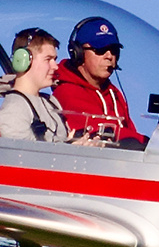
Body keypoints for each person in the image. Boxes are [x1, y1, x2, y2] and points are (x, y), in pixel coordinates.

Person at [52, 16, 148, 149]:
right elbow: (103, 133)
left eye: (114, 50)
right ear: (78, 53)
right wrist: (147, 144)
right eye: (100, 49)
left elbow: (129, 133)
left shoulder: (113, 93)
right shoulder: (67, 92)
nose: (109, 56)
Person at [0, 28, 101, 144]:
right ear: (24, 60)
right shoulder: (14, 109)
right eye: (48, 59)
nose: (55, 66)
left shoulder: (51, 102)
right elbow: (22, 157)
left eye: (55, 59)